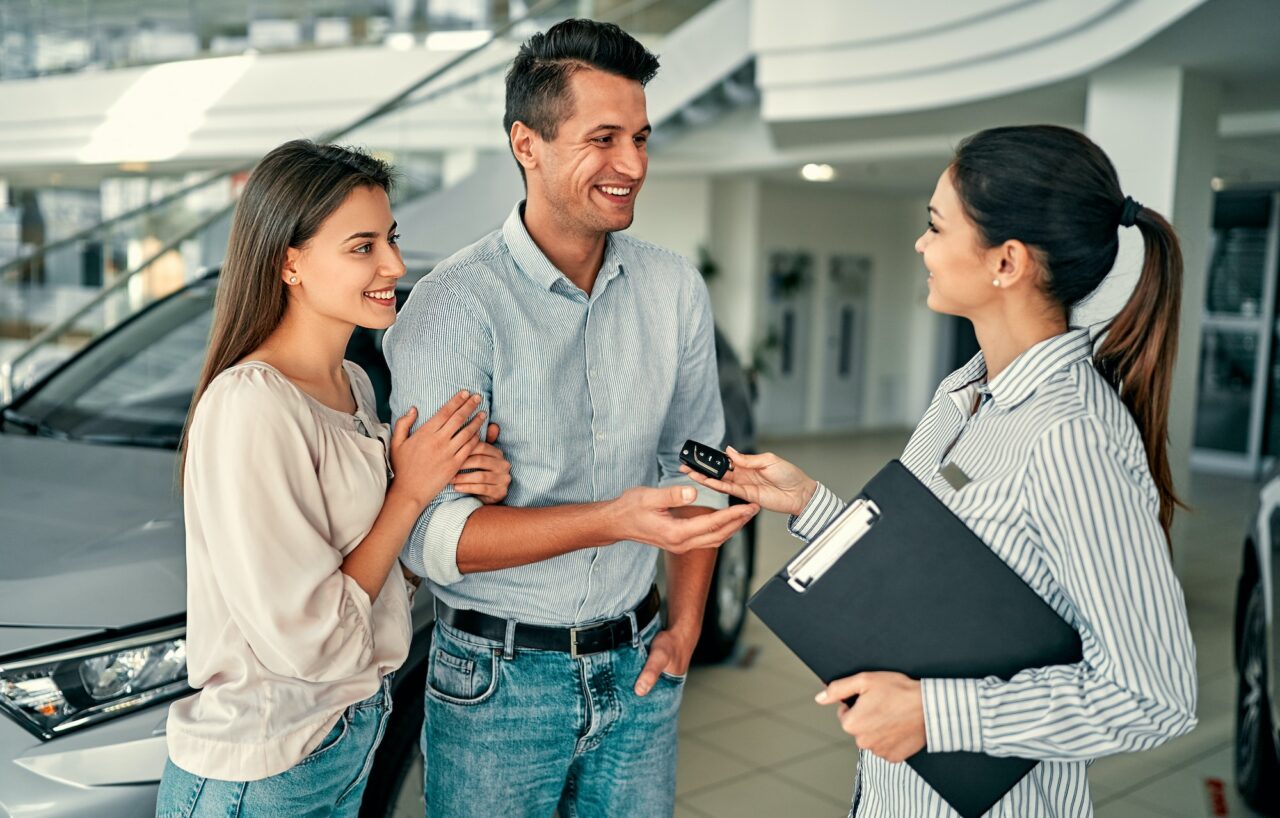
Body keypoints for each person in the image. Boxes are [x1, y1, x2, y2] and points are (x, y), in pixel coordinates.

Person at [682, 125, 1198, 817]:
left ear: (1007, 262)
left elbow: (1153, 696)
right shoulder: (964, 392)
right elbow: (934, 570)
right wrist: (809, 504)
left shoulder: (1072, 437)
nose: (921, 245)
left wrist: (936, 712)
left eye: (935, 226)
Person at [382, 18, 759, 817]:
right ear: (528, 144)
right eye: (604, 138)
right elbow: (432, 540)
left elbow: (699, 467)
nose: (632, 165)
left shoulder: (673, 290)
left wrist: (687, 626)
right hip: (497, 685)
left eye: (642, 138)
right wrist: (617, 519)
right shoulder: (453, 307)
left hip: (641, 667)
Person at [155, 140, 510, 818]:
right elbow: (310, 639)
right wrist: (408, 492)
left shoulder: (351, 386)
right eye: (362, 246)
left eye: (392, 239)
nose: (395, 265)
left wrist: (453, 485)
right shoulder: (251, 404)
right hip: (262, 773)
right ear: (290, 262)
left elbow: (373, 587)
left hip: (337, 743)